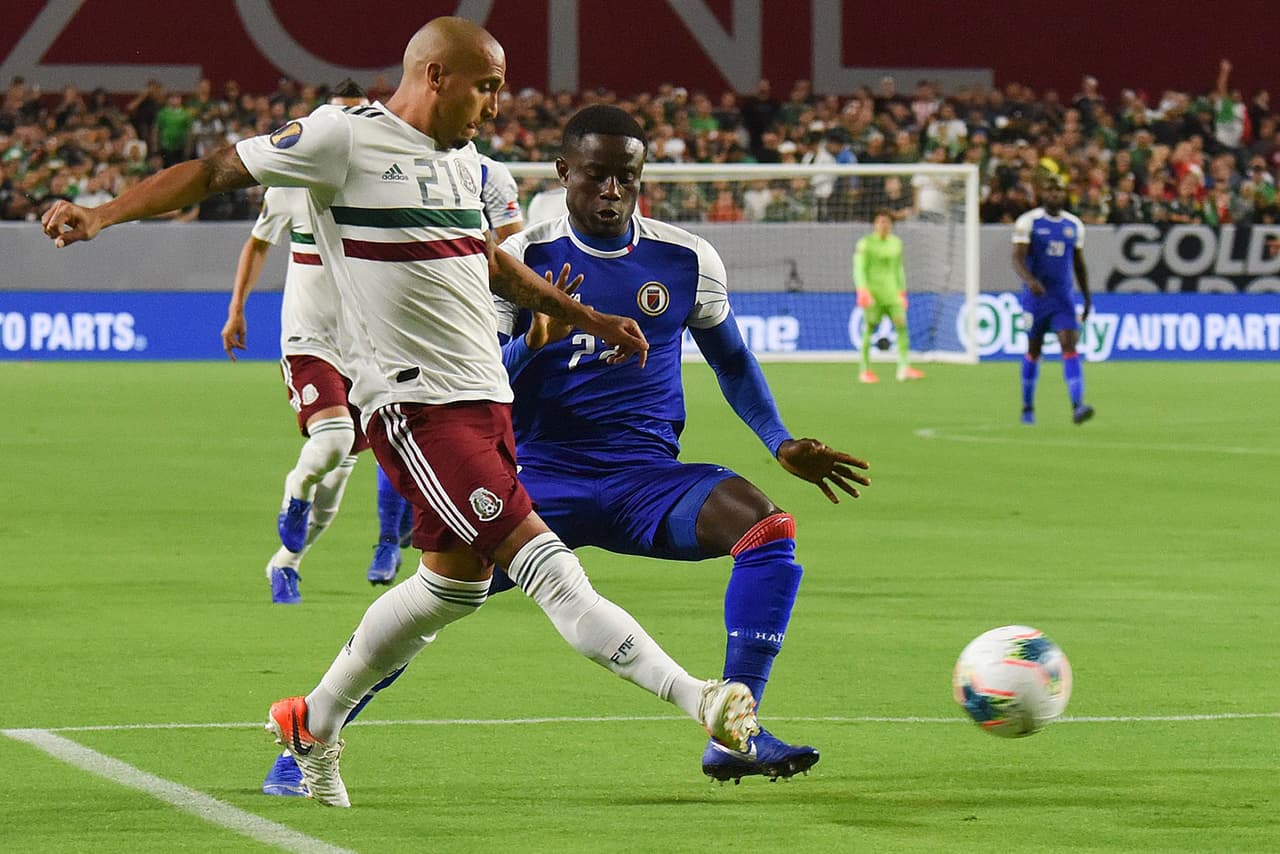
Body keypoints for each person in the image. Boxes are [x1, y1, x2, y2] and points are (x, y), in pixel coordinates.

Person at [43, 16, 762, 809]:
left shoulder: (459, 166)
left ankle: (309, 722)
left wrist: (591, 321)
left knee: (451, 589)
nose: (496, 105)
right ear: (435, 76)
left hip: (487, 400)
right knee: (550, 569)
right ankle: (700, 699)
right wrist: (103, 213)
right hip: (417, 403)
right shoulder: (339, 137)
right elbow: (215, 170)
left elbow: (489, 265)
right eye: (486, 86)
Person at [259, 105, 870, 793]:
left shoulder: (686, 258)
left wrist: (780, 440)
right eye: (597, 176)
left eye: (626, 178)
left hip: (647, 482)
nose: (611, 191)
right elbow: (476, 372)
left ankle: (737, 732)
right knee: (441, 592)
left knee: (768, 530)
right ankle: (310, 735)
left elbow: (732, 361)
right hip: (539, 480)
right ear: (564, 173)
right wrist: (534, 342)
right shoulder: (525, 261)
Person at [220, 80, 373, 605]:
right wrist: (237, 306)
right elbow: (258, 243)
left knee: (338, 483)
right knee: (329, 445)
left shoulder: (377, 178)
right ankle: (295, 492)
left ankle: (286, 563)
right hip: (310, 335)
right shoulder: (291, 177)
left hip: (367, 344)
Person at [367, 151, 527, 586]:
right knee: (401, 414)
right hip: (405, 315)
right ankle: (386, 540)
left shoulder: (488, 174)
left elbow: (515, 245)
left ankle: (467, 525)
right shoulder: (386, 160)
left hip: (473, 317)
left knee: (472, 429)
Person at [1011, 174, 1094, 425]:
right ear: (1041, 194)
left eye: (1058, 190)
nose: (1054, 195)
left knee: (1069, 347)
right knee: (1034, 350)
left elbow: (1079, 265)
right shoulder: (1029, 222)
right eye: (1049, 190)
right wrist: (1030, 281)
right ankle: (1027, 407)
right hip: (1036, 299)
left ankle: (1077, 405)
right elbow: (1016, 258)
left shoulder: (1074, 225)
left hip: (1063, 299)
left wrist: (1087, 298)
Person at [854, 209, 924, 383]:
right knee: (869, 329)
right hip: (873, 294)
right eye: (880, 222)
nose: (883, 225)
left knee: (902, 328)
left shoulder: (896, 243)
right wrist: (862, 290)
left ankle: (904, 367)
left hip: (892, 294)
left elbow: (898, 269)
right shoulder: (865, 243)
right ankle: (864, 370)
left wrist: (902, 292)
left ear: (891, 225)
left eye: (886, 222)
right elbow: (859, 268)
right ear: (875, 224)